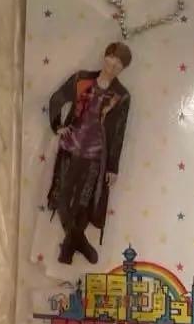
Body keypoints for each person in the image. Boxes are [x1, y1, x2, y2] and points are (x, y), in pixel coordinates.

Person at [45, 41, 132, 265]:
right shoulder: (81, 79)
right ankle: (79, 242)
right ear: (105, 56)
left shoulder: (121, 95)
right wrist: (57, 126)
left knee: (84, 202)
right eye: (111, 58)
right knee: (62, 197)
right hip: (70, 148)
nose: (113, 65)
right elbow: (57, 99)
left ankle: (67, 250)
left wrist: (112, 167)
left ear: (123, 69)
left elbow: (118, 133)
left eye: (119, 64)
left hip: (96, 156)